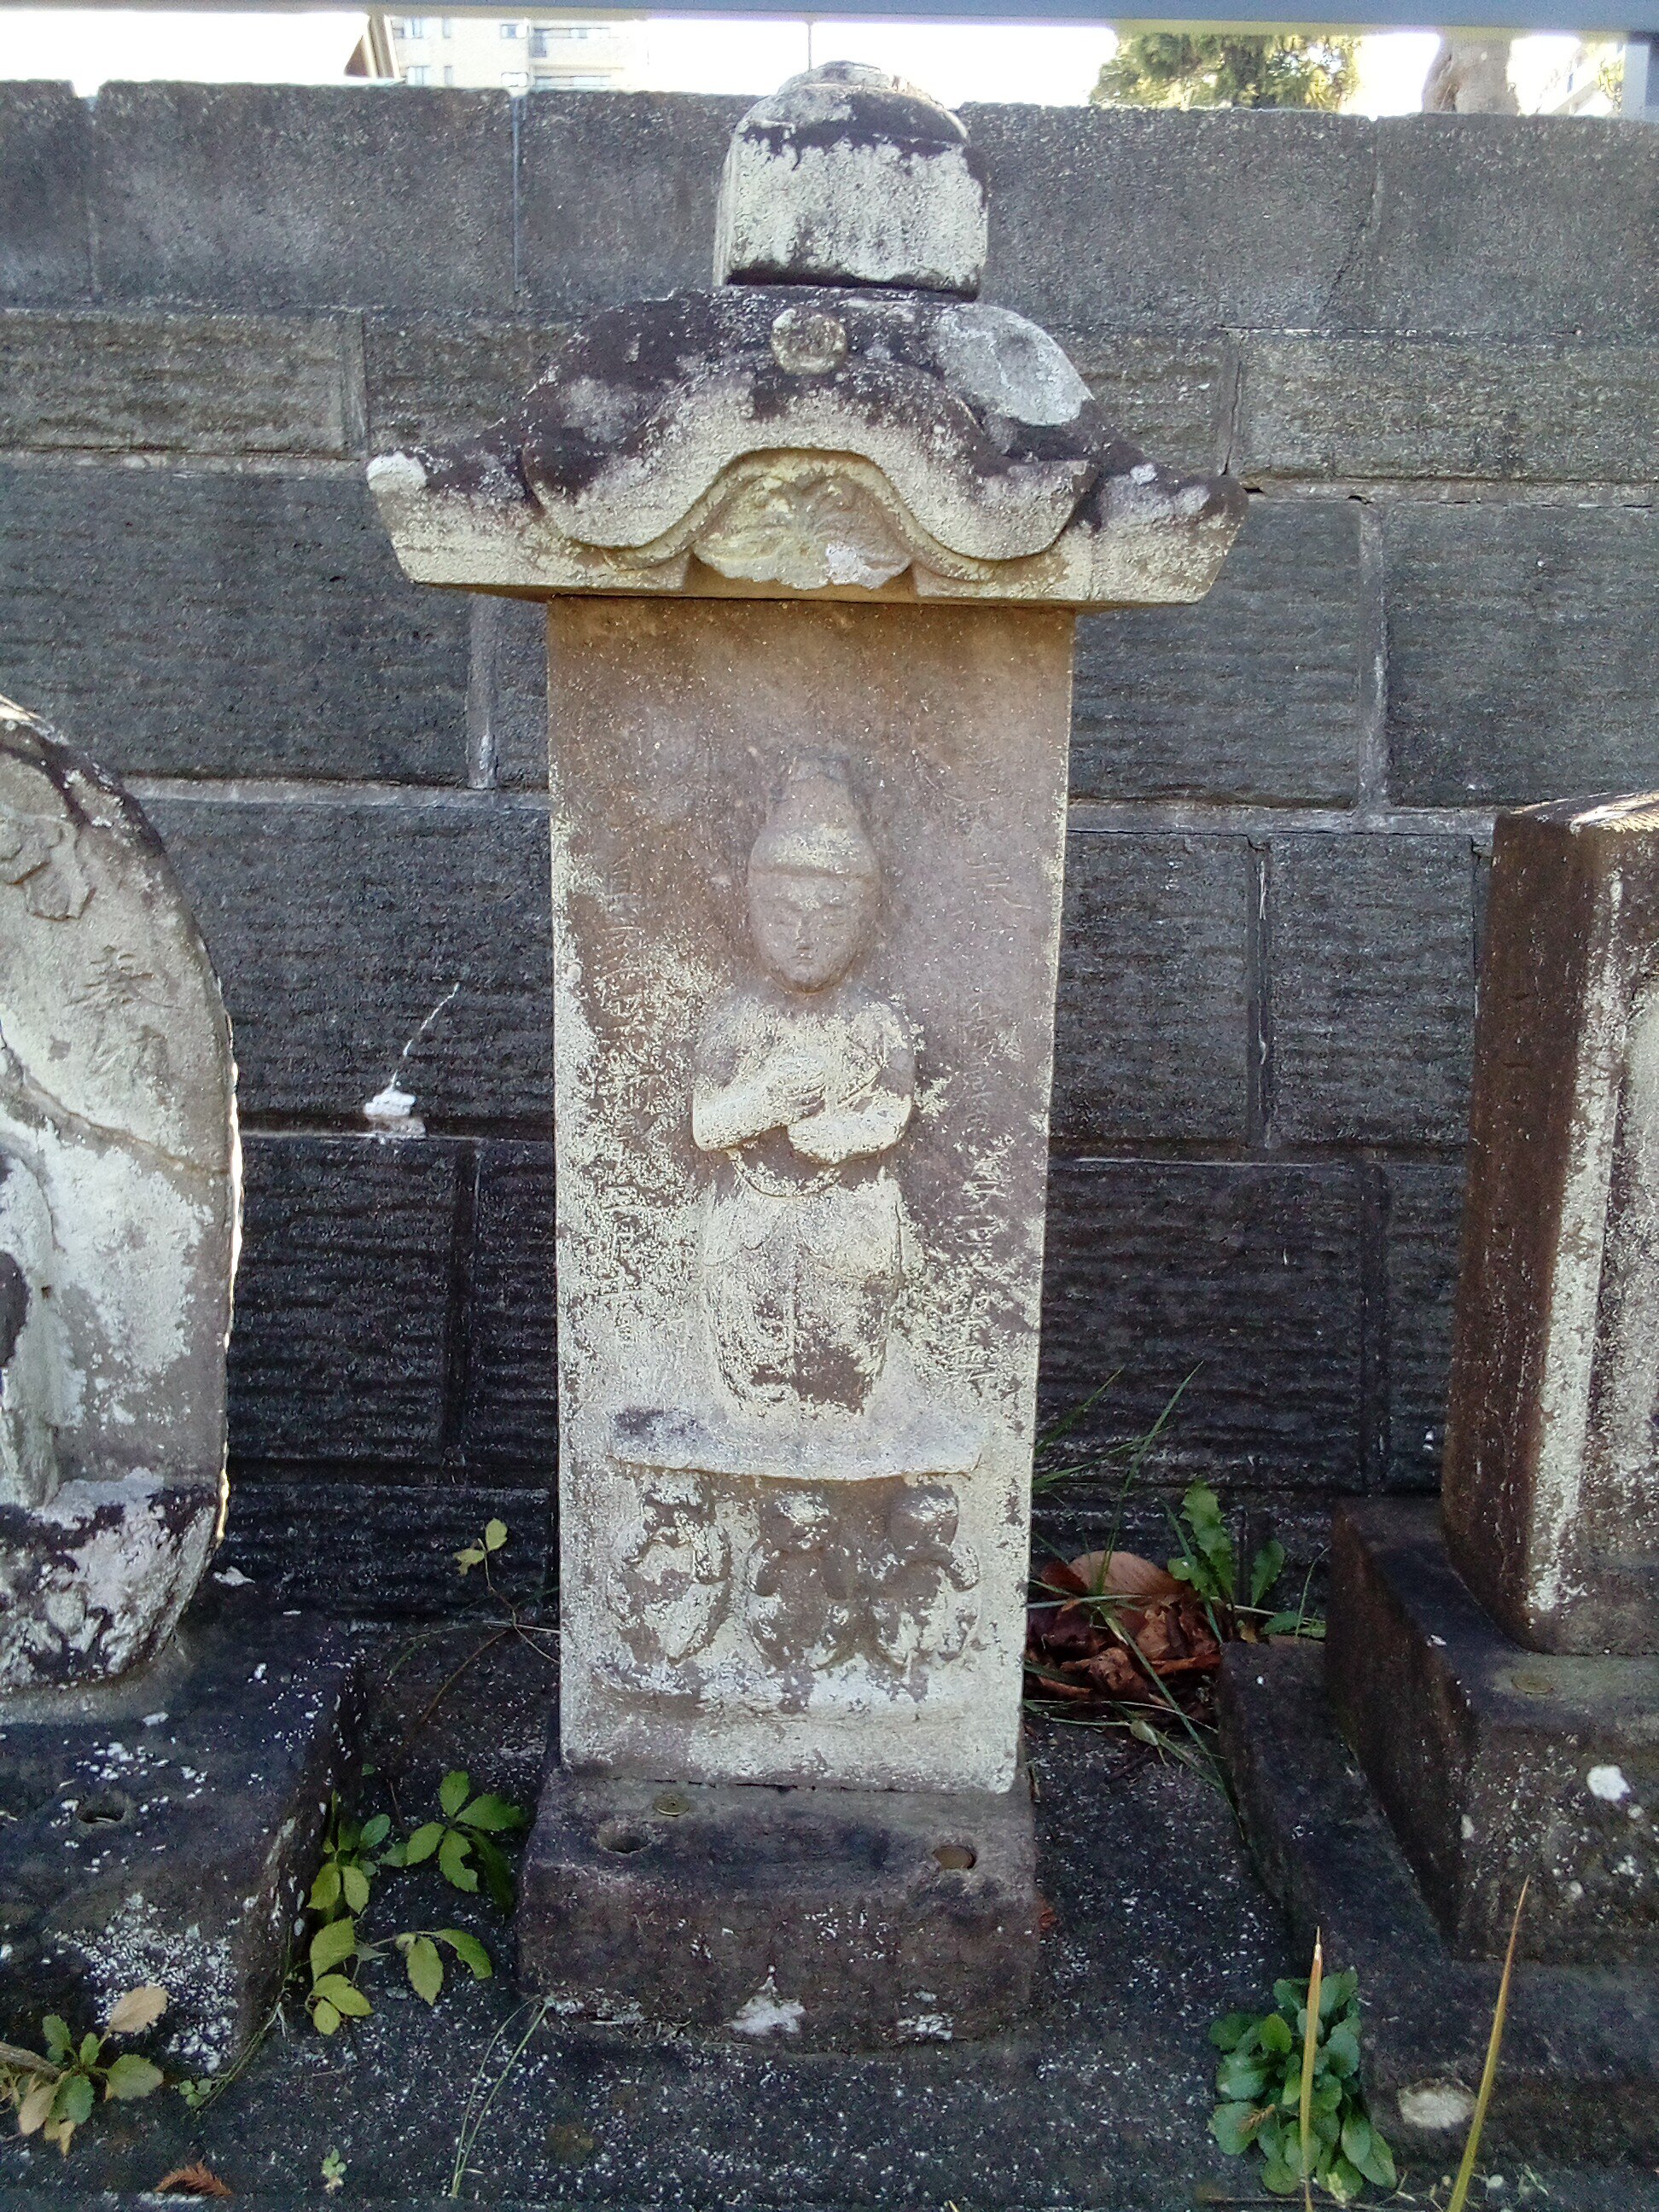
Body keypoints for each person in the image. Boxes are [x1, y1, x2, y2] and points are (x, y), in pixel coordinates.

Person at [692, 763, 914, 1415]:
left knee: (842, 1375)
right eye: (783, 915)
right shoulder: (738, 1021)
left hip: (849, 1224)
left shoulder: (874, 1022)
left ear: (867, 920)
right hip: (749, 1228)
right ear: (753, 912)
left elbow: (893, 1108)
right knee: (752, 1377)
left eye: (830, 918)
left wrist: (841, 1135)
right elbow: (707, 1125)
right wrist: (764, 1101)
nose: (804, 937)